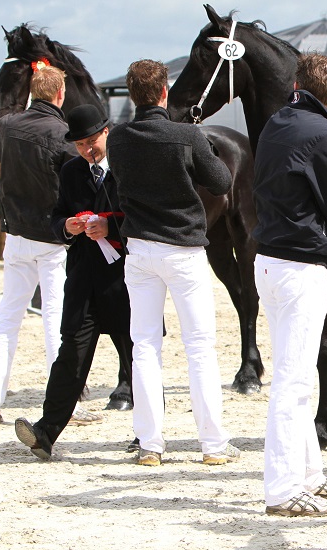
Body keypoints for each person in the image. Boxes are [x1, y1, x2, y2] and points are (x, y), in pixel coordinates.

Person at [253, 52, 327, 517]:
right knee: (294, 381)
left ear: (297, 83)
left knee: (294, 375)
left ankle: (309, 474)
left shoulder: (276, 123)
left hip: (269, 260)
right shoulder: (325, 131)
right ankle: (282, 490)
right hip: (301, 265)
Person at [106, 59, 239, 466]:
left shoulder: (118, 138)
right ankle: (213, 445)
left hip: (141, 248)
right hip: (183, 248)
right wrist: (202, 148)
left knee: (144, 346)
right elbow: (221, 181)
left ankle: (150, 443)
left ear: (132, 95)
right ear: (164, 91)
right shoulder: (187, 135)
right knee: (199, 346)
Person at [0, 63, 102, 427]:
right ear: (60, 93)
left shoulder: (8, 126)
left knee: (7, 320)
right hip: (50, 239)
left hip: (15, 235)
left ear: (33, 92)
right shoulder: (62, 133)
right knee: (57, 322)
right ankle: (68, 404)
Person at [15, 105, 135, 459]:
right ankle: (45, 432)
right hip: (83, 282)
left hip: (124, 282)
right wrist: (67, 227)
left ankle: (148, 434)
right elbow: (55, 216)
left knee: (137, 357)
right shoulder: (70, 172)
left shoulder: (127, 168)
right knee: (70, 357)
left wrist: (110, 228)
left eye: (91, 142)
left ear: (107, 132)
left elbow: (143, 219)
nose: (87, 150)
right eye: (80, 145)